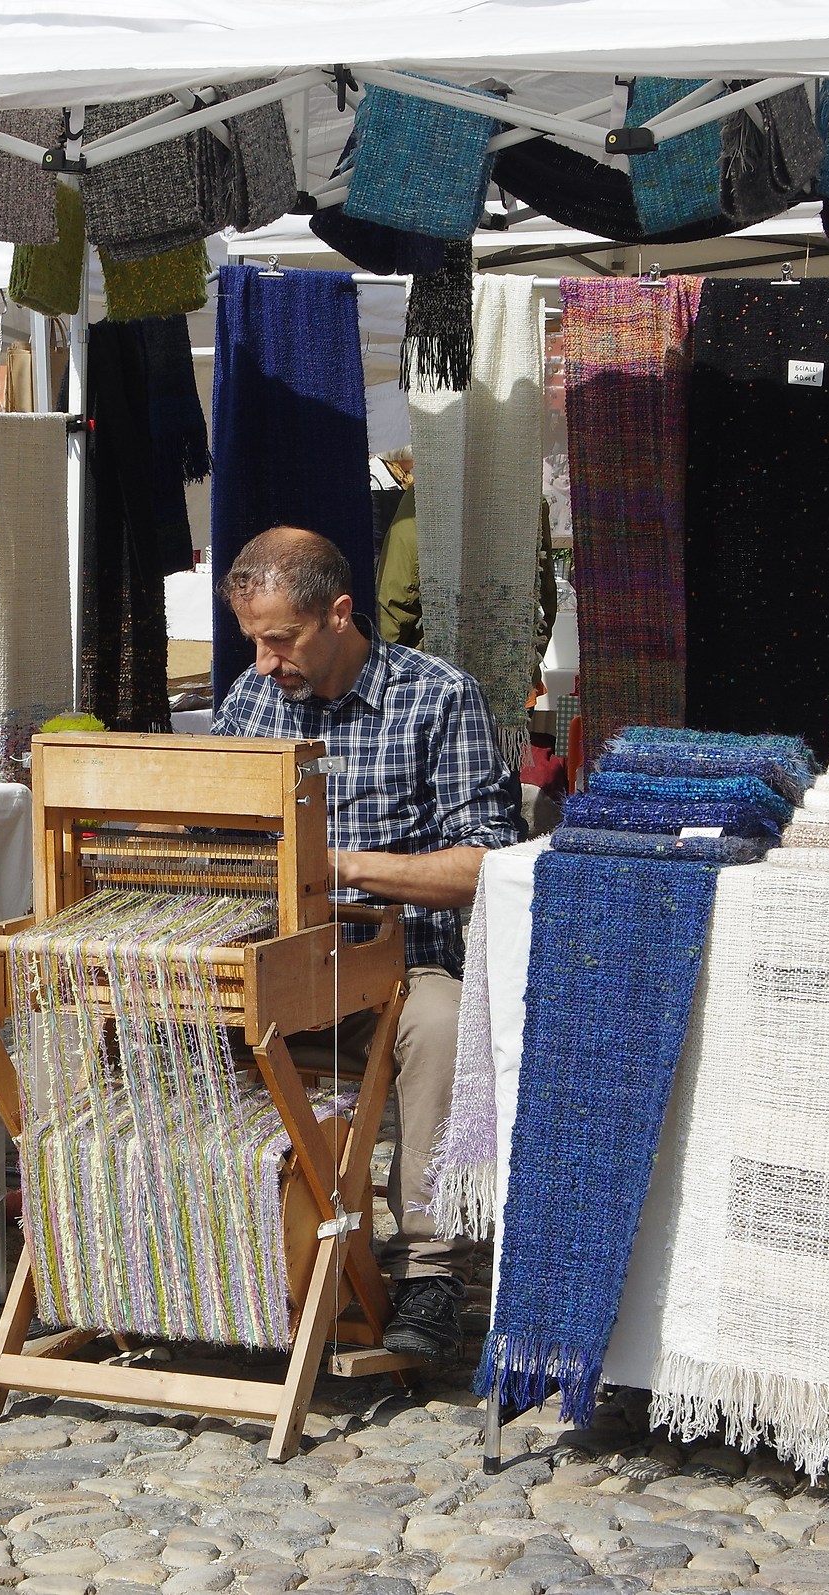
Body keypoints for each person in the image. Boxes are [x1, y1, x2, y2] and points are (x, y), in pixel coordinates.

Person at [211, 526, 525, 1359]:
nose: (267, 661)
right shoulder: (252, 700)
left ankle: (428, 1268)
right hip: (279, 964)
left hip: (399, 966)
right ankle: (201, 1242)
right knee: (145, 1008)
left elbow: (485, 863)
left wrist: (342, 865)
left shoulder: (437, 697)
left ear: (341, 614)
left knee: (446, 1021)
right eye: (255, 640)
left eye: (281, 640)